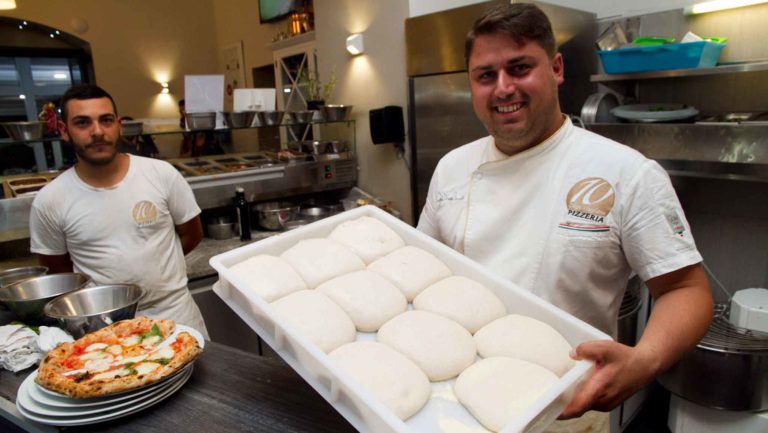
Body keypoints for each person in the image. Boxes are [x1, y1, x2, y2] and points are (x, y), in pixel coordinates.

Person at [417, 4, 713, 431]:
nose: (503, 88)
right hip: (451, 402)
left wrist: (645, 360)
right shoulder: (452, 168)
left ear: (556, 68)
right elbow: (427, 274)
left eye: (519, 68)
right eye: (486, 75)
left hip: (564, 410)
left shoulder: (625, 173)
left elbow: (686, 289)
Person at [29, 84, 208, 337]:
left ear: (119, 125)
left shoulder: (161, 174)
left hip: (176, 314)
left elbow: (192, 233)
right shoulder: (50, 200)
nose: (97, 131)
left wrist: (156, 268)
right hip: (107, 329)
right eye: (82, 122)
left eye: (106, 120)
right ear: (64, 131)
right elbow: (60, 271)